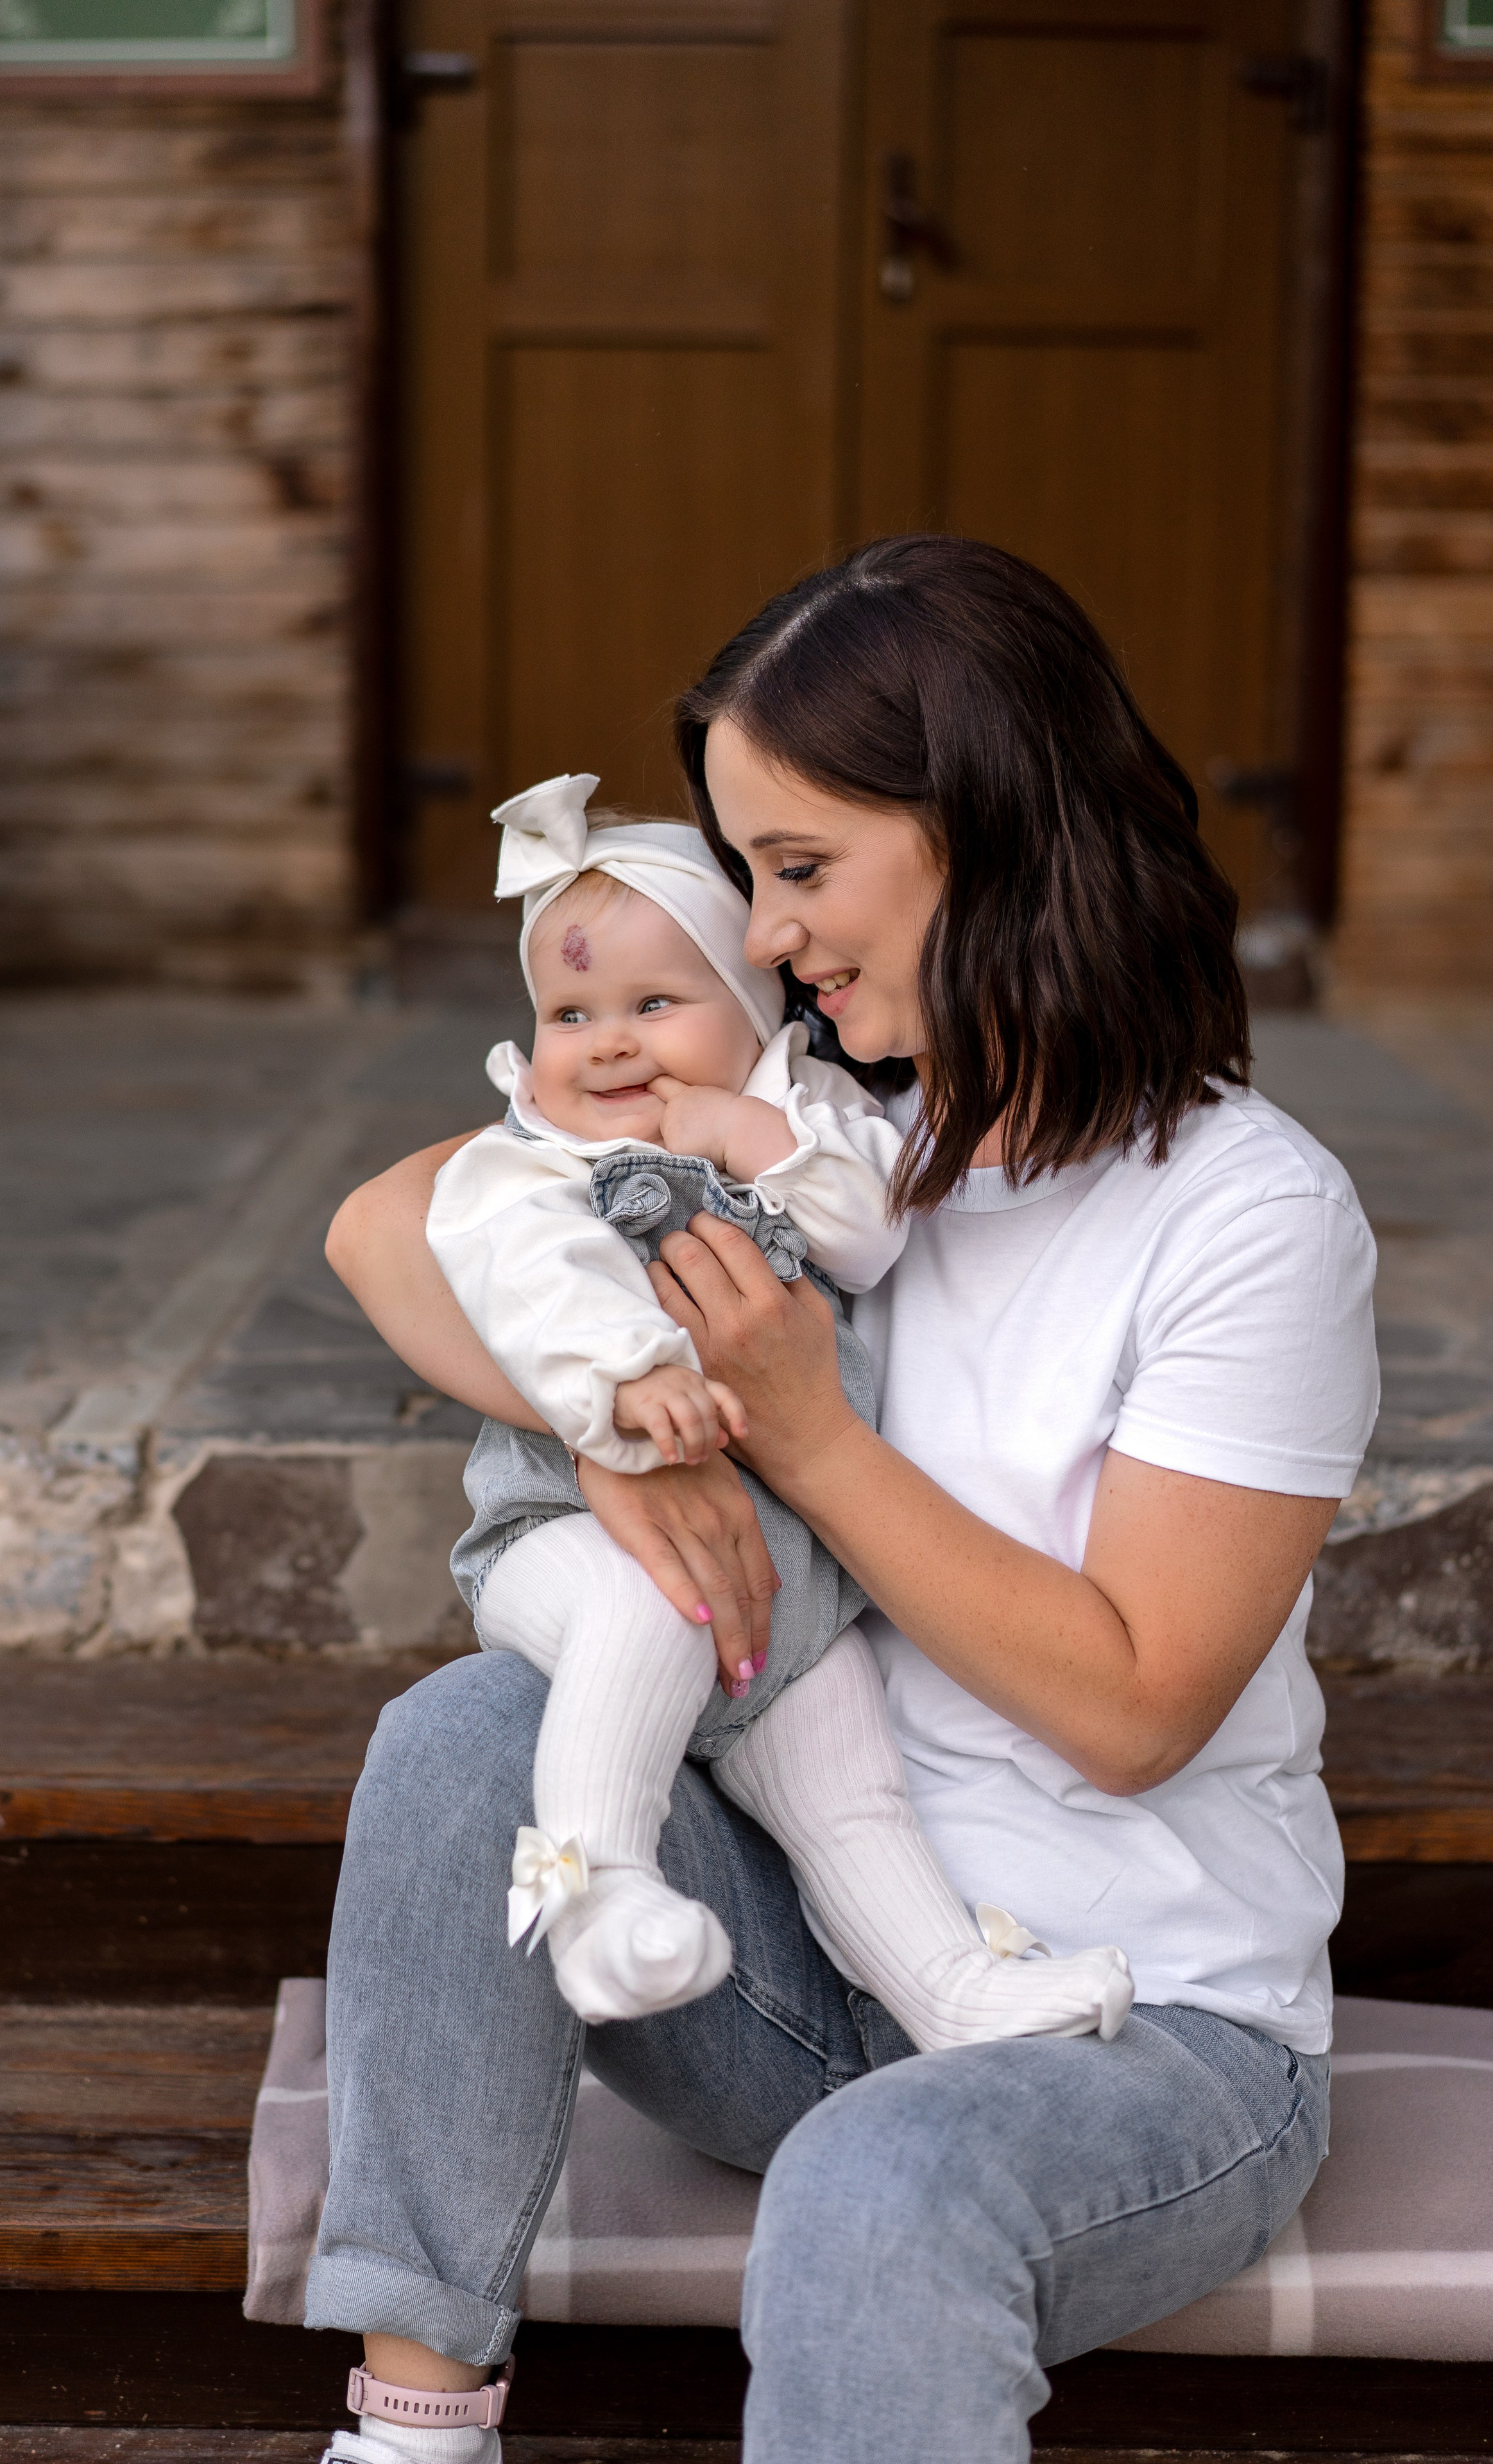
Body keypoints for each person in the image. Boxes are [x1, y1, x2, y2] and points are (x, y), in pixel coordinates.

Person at [310, 535, 1379, 2464]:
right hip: (806, 1971)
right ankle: (413, 2420)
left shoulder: (1248, 1217)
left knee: (883, 2183)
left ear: (989, 825)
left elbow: (1137, 1709)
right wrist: (620, 1431)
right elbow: (390, 1225)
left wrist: (801, 1438)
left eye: (801, 871)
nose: (770, 933)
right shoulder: (832, 1140)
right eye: (750, 880)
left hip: (1153, 2037)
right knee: (471, 1729)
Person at [429, 766, 1132, 2042]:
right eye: (568, 1011)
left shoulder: (812, 1118)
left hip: (784, 1582)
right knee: (653, 1606)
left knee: (847, 1781)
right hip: (567, 1540)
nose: (607, 1042)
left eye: (655, 1001)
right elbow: (524, 1277)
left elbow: (865, 1235)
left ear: (757, 1015)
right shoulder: (528, 1161)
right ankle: (597, 1895)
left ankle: (952, 1991)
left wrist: (742, 1132)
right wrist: (625, 1389)